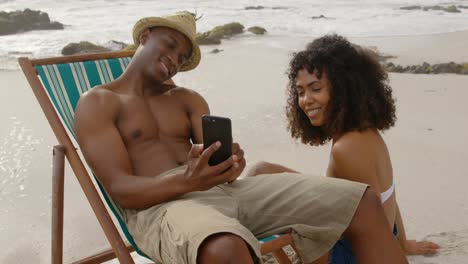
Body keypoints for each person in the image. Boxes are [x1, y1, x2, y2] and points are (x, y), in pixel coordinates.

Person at [73, 12, 408, 264]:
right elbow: (121, 190)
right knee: (225, 247)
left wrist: (232, 164)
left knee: (361, 201)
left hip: (221, 192)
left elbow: (223, 167)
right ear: (145, 36)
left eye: (181, 58)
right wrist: (188, 182)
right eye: (171, 46)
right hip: (161, 208)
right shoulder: (98, 102)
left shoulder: (186, 99)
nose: (174, 60)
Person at [250, 34, 440, 263]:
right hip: (375, 231)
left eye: (316, 88)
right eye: (300, 92)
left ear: (342, 88)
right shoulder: (363, 132)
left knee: (268, 206)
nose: (306, 100)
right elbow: (385, 194)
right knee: (262, 173)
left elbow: (373, 229)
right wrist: (403, 242)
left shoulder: (347, 149)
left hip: (351, 253)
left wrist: (397, 251)